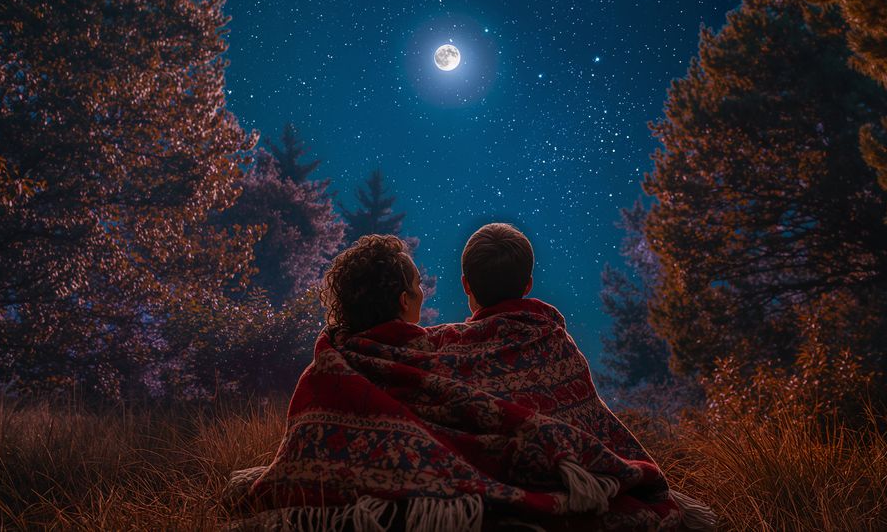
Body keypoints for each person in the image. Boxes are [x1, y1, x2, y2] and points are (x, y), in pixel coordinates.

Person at [227, 228, 714, 532]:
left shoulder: (361, 357)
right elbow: (591, 429)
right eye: (417, 287)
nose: (421, 293)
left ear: (466, 285)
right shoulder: (545, 344)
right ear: (526, 285)